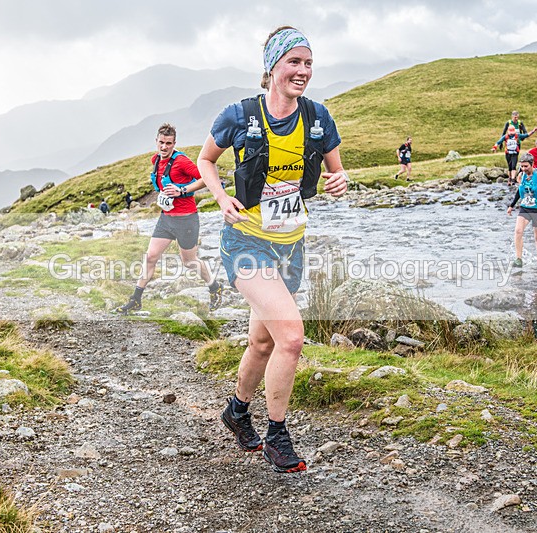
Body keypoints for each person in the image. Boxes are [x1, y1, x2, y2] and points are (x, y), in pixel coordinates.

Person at [196, 26, 347, 473]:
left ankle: (237, 411)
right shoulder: (239, 116)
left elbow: (337, 175)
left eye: (308, 63)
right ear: (272, 68)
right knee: (292, 337)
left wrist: (340, 181)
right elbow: (206, 159)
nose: (303, 71)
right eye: (294, 62)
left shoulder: (319, 118)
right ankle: (278, 432)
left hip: (290, 246)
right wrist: (222, 198)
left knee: (262, 342)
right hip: (245, 243)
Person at [116, 123, 224, 314]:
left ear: (174, 143)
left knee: (189, 261)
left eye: (168, 143)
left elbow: (207, 177)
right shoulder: (156, 160)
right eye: (161, 143)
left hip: (186, 219)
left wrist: (182, 189)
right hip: (166, 218)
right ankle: (136, 299)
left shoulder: (181, 161)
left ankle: (215, 287)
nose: (164, 147)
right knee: (150, 257)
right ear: (156, 142)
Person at [506, 152, 537, 268]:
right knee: (518, 231)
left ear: (532, 164)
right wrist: (511, 205)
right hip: (525, 208)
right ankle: (518, 259)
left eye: (526, 166)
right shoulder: (521, 175)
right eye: (522, 166)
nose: (523, 169)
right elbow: (520, 191)